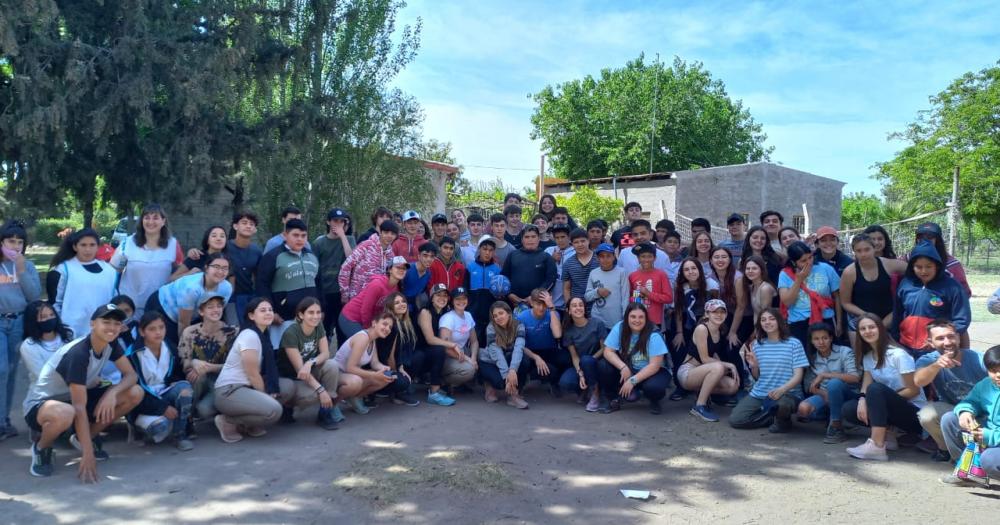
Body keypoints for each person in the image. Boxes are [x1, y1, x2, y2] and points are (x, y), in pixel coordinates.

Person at [23, 304, 144, 480]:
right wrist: (87, 455)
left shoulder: (111, 343)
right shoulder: (78, 353)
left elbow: (131, 375)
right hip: (43, 405)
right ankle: (41, 447)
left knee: (135, 392)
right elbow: (79, 407)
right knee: (67, 412)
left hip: (74, 399)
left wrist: (112, 394)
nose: (112, 327)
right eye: (106, 322)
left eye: (116, 323)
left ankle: (84, 437)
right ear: (92, 324)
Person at [842, 314, 927, 461]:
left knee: (876, 390)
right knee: (850, 409)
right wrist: (862, 400)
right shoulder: (868, 357)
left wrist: (883, 398)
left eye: (871, 327)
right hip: (891, 408)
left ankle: (877, 445)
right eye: (863, 329)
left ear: (880, 329)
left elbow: (914, 390)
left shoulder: (898, 354)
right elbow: (866, 384)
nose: (867, 331)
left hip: (914, 412)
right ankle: (889, 434)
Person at [913, 320, 987, 462]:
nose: (947, 342)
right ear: (930, 342)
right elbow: (918, 381)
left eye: (951, 336)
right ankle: (945, 449)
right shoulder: (928, 360)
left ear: (958, 338)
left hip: (985, 411)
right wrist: (936, 366)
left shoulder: (978, 358)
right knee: (927, 415)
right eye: (940, 338)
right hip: (953, 409)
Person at [212, 298, 283, 443]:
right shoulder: (250, 335)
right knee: (274, 410)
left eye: (270, 310)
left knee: (287, 389)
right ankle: (228, 421)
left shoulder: (263, 334)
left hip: (245, 388)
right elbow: (252, 374)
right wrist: (266, 397)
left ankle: (250, 423)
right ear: (251, 316)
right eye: (262, 310)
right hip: (230, 391)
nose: (268, 313)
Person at [729, 308, 808, 433]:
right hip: (761, 392)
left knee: (782, 404)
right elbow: (757, 377)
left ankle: (783, 422)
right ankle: (772, 418)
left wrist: (782, 389)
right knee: (736, 420)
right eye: (763, 320)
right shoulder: (757, 345)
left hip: (788, 393)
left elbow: (798, 376)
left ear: (779, 321)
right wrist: (754, 365)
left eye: (772, 319)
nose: (767, 322)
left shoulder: (794, 343)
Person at [125, 311, 194, 450]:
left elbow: (176, 374)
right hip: (143, 402)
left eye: (161, 327)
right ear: (142, 332)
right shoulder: (132, 354)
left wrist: (176, 383)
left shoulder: (170, 348)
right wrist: (162, 408)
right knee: (160, 428)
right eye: (152, 329)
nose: (158, 332)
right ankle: (138, 428)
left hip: (165, 393)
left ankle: (180, 435)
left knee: (185, 389)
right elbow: (134, 390)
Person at [1, 220, 42, 438]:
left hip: (17, 323)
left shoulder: (28, 266)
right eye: (10, 241)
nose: (15, 246)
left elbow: (34, 296)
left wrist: (21, 270)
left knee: (10, 371)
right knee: (1, 370)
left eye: (19, 242)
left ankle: (4, 420)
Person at [276, 297, 343, 430]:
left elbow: (325, 354)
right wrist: (320, 390)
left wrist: (311, 362)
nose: (316, 316)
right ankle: (287, 407)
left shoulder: (318, 326)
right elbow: (299, 369)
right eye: (311, 313)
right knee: (313, 395)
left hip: (307, 370)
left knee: (331, 365)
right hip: (292, 376)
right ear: (301, 315)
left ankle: (325, 414)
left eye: (318, 312)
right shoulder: (291, 332)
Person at [893, 241, 970, 355]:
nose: (924, 271)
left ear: (937, 266)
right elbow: (897, 314)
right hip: (906, 346)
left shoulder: (952, 286)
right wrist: (896, 338)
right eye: (919, 267)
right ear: (912, 267)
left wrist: (942, 339)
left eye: (929, 266)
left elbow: (962, 318)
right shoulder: (906, 284)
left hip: (936, 349)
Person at [938, 345, 1000, 485]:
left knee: (989, 459)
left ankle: (983, 468)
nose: (998, 375)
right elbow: (970, 401)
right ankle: (966, 472)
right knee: (950, 419)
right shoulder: (986, 384)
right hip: (988, 430)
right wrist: (965, 412)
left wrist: (989, 435)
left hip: (993, 437)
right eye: (993, 371)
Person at [109, 204, 184, 318]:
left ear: (163, 221)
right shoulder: (128, 243)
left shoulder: (173, 244)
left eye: (155, 217)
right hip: (130, 306)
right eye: (147, 217)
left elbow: (180, 271)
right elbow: (114, 271)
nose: (150, 221)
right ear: (142, 221)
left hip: (159, 305)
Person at [596, 303, 672, 414]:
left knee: (654, 388)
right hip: (628, 369)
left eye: (641, 317)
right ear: (627, 317)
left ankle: (654, 400)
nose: (637, 320)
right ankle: (611, 398)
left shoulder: (653, 334)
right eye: (633, 317)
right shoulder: (620, 327)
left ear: (646, 318)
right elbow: (608, 351)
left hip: (651, 372)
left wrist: (632, 381)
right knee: (603, 365)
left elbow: (654, 366)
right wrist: (622, 367)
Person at [146, 253, 233, 347]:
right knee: (170, 346)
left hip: (193, 313)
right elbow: (183, 323)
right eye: (216, 267)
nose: (220, 271)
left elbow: (214, 315)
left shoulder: (227, 288)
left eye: (225, 268)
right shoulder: (191, 288)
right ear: (206, 268)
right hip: (162, 307)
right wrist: (185, 348)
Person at [256, 218, 321, 343]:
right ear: (285, 235)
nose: (300, 239)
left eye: (303, 236)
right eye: (295, 235)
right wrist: (271, 312)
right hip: (282, 319)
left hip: (309, 317)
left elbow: (319, 284)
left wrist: (321, 308)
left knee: (306, 352)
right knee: (282, 355)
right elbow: (262, 285)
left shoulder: (312, 256)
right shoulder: (272, 256)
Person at [795, 322, 860, 444]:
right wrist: (824, 394)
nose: (821, 342)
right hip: (824, 394)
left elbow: (855, 378)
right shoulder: (812, 358)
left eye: (824, 338)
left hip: (848, 393)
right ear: (812, 341)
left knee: (834, 383)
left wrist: (825, 375)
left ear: (831, 338)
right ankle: (834, 415)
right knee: (803, 409)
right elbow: (810, 386)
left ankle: (836, 426)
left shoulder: (845, 352)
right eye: (816, 339)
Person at [49, 228, 117, 341]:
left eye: (92, 245)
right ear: (75, 247)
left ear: (98, 246)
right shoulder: (63, 269)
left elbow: (114, 300)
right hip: (72, 332)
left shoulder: (110, 271)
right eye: (83, 245)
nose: (88, 249)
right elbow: (55, 303)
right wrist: (61, 328)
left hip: (102, 332)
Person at [679, 300, 740, 422]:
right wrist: (729, 365)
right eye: (714, 312)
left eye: (722, 312)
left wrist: (724, 369)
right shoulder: (702, 328)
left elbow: (715, 355)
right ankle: (699, 406)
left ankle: (703, 394)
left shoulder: (719, 330)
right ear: (707, 314)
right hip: (687, 372)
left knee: (733, 386)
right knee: (718, 367)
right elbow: (705, 358)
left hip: (703, 372)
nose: (719, 315)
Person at [839, 234, 907, 345]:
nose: (863, 254)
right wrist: (868, 316)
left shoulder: (888, 264)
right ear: (854, 252)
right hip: (862, 321)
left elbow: (913, 269)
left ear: (874, 248)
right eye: (859, 251)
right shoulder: (849, 272)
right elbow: (845, 303)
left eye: (867, 249)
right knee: (862, 359)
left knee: (895, 356)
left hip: (888, 318)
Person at [178, 294, 237, 421]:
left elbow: (234, 366)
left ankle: (216, 413)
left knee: (204, 410)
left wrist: (210, 368)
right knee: (197, 375)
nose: (216, 310)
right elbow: (184, 361)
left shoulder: (232, 332)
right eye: (210, 307)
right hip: (198, 379)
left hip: (221, 381)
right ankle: (187, 419)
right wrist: (193, 362)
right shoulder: (189, 332)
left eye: (219, 306)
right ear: (201, 311)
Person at [333, 312, 405, 414]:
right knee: (356, 382)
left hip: (350, 374)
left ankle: (355, 398)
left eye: (390, 327)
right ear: (374, 323)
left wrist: (385, 369)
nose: (387, 329)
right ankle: (333, 404)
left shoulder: (372, 340)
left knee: (385, 377)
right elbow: (350, 367)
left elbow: (374, 363)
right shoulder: (363, 337)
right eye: (384, 324)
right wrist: (375, 375)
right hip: (336, 373)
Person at [671, 258, 720, 400]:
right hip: (686, 324)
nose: (691, 272)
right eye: (686, 269)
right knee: (680, 351)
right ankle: (681, 387)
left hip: (706, 325)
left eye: (693, 268)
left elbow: (717, 309)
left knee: (705, 355)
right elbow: (679, 310)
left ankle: (709, 389)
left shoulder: (711, 285)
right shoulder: (680, 286)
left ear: (699, 269)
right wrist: (679, 332)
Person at [778, 241, 841, 350]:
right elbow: (787, 302)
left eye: (810, 257)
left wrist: (839, 322)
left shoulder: (825, 268)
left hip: (825, 320)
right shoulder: (785, 274)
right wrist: (799, 280)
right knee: (805, 360)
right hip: (799, 323)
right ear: (794, 262)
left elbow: (837, 296)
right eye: (803, 261)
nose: (809, 262)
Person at [312, 208, 356, 340]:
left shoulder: (349, 239)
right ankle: (322, 357)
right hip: (324, 292)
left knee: (342, 329)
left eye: (341, 221)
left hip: (343, 293)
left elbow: (352, 260)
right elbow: (314, 269)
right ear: (328, 222)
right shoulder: (319, 243)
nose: (338, 224)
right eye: (335, 221)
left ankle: (342, 358)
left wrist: (342, 236)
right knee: (323, 330)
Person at [339, 256, 408, 338]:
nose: (401, 270)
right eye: (398, 267)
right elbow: (365, 309)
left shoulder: (396, 288)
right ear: (390, 270)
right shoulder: (377, 285)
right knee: (364, 342)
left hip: (368, 320)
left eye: (404, 268)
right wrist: (369, 330)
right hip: (351, 317)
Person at [478, 301, 531, 409]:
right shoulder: (491, 327)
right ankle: (488, 384)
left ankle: (514, 395)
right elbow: (496, 353)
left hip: (507, 358)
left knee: (524, 360)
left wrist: (512, 370)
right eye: (495, 316)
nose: (498, 317)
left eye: (501, 313)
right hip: (490, 361)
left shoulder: (519, 325)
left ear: (509, 313)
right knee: (500, 383)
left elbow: (519, 348)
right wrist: (507, 375)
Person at [517, 289, 566, 396]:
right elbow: (517, 344)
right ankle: (522, 382)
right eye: (538, 304)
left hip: (548, 351)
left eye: (545, 304)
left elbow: (557, 334)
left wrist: (552, 308)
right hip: (529, 352)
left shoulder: (553, 313)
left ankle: (554, 383)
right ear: (531, 303)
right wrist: (536, 357)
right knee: (521, 360)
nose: (542, 308)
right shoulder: (522, 317)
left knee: (564, 358)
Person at [376, 292, 422, 407]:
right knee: (402, 381)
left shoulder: (406, 321)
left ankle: (402, 386)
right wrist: (398, 370)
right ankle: (394, 392)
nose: (402, 304)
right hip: (385, 366)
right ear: (390, 307)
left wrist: (402, 366)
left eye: (403, 301)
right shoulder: (391, 326)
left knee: (419, 356)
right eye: (397, 303)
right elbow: (389, 356)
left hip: (400, 361)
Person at [560, 296, 605, 411]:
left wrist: (588, 361)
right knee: (566, 382)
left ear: (585, 308)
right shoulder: (568, 330)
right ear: (569, 311)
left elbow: (604, 349)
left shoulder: (597, 323)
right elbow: (574, 356)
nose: (578, 308)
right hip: (580, 364)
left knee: (586, 360)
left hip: (597, 363)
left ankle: (595, 393)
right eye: (574, 306)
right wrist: (580, 373)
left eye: (580, 305)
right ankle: (584, 390)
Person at [903, 222, 971, 297]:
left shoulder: (952, 264)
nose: (925, 240)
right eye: (921, 236)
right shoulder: (906, 259)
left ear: (938, 240)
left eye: (930, 236)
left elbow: (965, 292)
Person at [339, 219, 398, 303]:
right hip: (357, 297)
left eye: (392, 234)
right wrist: (345, 294)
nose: (389, 236)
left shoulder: (391, 254)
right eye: (386, 232)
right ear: (380, 232)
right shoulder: (366, 246)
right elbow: (346, 267)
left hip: (376, 300)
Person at [436, 287, 479, 396]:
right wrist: (469, 360)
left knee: (480, 356)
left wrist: (473, 358)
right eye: (457, 299)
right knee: (469, 370)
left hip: (462, 351)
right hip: (448, 356)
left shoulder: (468, 315)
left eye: (464, 298)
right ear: (452, 301)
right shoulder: (448, 318)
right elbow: (445, 348)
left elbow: (474, 341)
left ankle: (460, 384)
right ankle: (444, 382)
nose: (461, 301)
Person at [19, 301, 74, 385]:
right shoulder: (28, 346)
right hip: (45, 394)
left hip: (74, 388)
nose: (50, 319)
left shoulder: (68, 334)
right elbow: (42, 376)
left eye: (52, 315)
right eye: (44, 317)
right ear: (33, 321)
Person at [502, 225, 557, 308]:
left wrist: (535, 296)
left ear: (538, 239)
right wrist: (509, 294)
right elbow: (504, 276)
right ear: (522, 239)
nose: (530, 240)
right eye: (527, 237)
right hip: (514, 303)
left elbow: (551, 280)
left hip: (538, 304)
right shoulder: (512, 255)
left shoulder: (546, 257)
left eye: (533, 236)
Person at [225, 211, 263, 324]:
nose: (248, 226)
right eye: (244, 222)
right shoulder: (225, 247)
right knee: (233, 329)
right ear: (235, 226)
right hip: (228, 297)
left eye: (251, 224)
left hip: (249, 297)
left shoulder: (257, 251)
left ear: (255, 229)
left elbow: (259, 278)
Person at [465, 236, 502, 344]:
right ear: (479, 249)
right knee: (474, 340)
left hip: (490, 312)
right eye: (485, 249)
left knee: (490, 340)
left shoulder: (497, 269)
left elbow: (500, 293)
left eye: (491, 250)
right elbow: (465, 289)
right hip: (473, 312)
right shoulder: (470, 267)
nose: (487, 253)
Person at [585, 243, 630, 330]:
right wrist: (597, 292)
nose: (605, 259)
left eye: (608, 256)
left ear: (614, 257)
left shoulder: (621, 272)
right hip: (597, 319)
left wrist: (625, 318)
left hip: (616, 321)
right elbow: (587, 297)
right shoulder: (593, 273)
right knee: (599, 343)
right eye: (602, 256)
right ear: (597, 258)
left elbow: (625, 297)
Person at [627, 243, 673, 329]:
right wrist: (638, 297)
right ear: (638, 259)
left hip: (655, 321)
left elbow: (669, 298)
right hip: (637, 320)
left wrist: (648, 294)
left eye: (649, 256)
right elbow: (630, 298)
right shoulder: (632, 276)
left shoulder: (661, 275)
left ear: (654, 258)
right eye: (643, 256)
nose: (646, 259)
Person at [562, 228, 598, 303]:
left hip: (598, 303)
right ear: (571, 244)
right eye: (576, 242)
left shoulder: (599, 258)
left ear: (588, 241)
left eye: (583, 241)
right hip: (578, 305)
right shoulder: (568, 263)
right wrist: (568, 306)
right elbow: (566, 288)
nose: (580, 244)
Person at [544, 223, 573, 309]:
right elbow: (539, 271)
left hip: (568, 301)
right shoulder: (549, 250)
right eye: (557, 237)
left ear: (569, 237)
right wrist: (551, 260)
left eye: (563, 237)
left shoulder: (575, 252)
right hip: (549, 302)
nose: (560, 240)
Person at [401, 242, 437, 310]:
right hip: (401, 305)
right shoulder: (407, 269)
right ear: (419, 256)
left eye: (432, 256)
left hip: (414, 306)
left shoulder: (428, 274)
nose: (429, 259)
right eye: (425, 255)